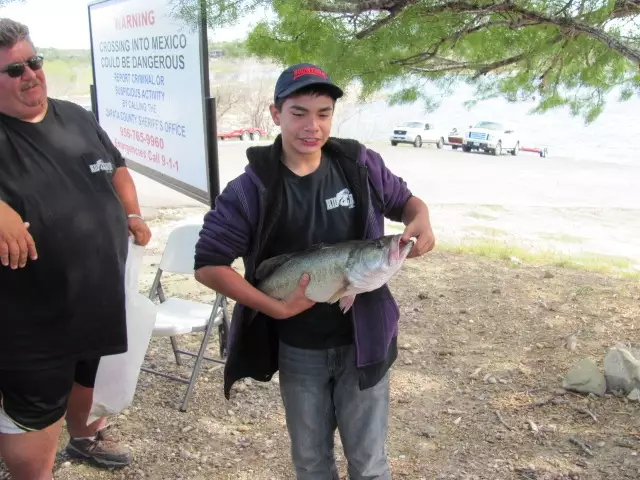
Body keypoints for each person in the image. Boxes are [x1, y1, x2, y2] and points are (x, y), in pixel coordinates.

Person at [194, 61, 435, 479]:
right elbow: (208, 265)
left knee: (370, 463)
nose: (313, 126)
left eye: (323, 114)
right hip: (300, 349)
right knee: (310, 462)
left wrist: (423, 219)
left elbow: (407, 203)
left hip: (365, 344)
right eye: (299, 113)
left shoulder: (358, 163)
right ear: (275, 114)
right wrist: (275, 309)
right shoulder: (250, 189)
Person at [0, 18, 151, 479]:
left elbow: (117, 168)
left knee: (91, 378)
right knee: (32, 423)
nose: (30, 75)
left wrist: (132, 213)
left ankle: (84, 438)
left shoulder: (78, 116)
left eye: (34, 62)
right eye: (13, 70)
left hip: (98, 300)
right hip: (33, 320)